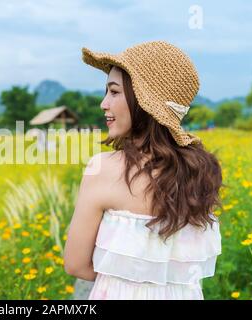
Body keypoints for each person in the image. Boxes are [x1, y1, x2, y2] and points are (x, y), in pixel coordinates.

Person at [64, 41, 224, 300]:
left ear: (143, 100)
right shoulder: (202, 170)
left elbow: (75, 264)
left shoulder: (103, 169)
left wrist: (127, 280)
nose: (104, 104)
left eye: (114, 92)